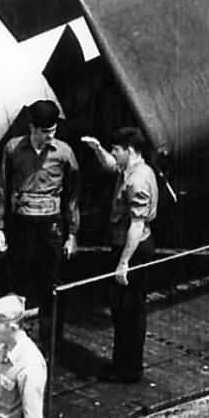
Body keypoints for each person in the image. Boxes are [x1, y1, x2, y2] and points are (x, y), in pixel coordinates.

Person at [0, 99, 80, 331]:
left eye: (54, 130)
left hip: (50, 224)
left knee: (50, 282)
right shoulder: (13, 149)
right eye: (46, 131)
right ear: (32, 128)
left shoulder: (64, 153)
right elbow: (2, 187)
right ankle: (14, 336)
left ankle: (52, 340)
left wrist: (72, 234)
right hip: (21, 223)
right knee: (18, 280)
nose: (51, 136)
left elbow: (72, 195)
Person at [80, 127, 158, 382]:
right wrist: (98, 149)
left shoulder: (136, 181)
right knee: (122, 310)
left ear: (129, 150)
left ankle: (129, 369)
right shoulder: (134, 169)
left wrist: (123, 263)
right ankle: (122, 364)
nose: (114, 154)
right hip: (128, 245)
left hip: (133, 250)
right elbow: (112, 165)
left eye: (116, 149)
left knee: (130, 313)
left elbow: (136, 225)